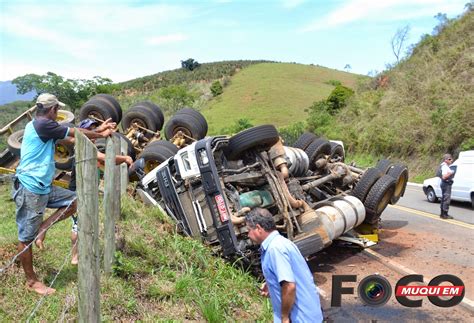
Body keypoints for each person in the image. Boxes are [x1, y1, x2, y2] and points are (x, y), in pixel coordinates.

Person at [13, 93, 114, 295]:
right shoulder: (42, 124)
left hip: (43, 187)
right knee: (26, 237)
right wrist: (100, 134)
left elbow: (69, 138)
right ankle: (31, 281)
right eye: (57, 110)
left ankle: (44, 227)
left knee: (76, 201)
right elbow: (73, 131)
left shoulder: (43, 128)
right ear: (52, 110)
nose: (58, 114)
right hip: (31, 188)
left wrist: (94, 132)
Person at [68, 118, 133, 265]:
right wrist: (125, 158)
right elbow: (104, 159)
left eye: (94, 129)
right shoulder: (83, 147)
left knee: (87, 222)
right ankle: (75, 256)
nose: (93, 132)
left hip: (87, 191)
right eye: (90, 129)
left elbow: (100, 164)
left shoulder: (89, 146)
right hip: (77, 192)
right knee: (78, 224)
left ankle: (87, 252)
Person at [245, 207, 323, 323]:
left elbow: (289, 286)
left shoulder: (275, 249)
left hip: (300, 319)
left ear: (258, 228)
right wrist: (272, 283)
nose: (247, 234)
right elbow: (290, 275)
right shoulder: (281, 243)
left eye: (248, 230)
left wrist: (284, 317)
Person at [439, 153, 455, 219]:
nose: (451, 160)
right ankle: (444, 214)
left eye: (451, 159)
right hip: (446, 184)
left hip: (445, 184)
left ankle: (442, 213)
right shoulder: (444, 166)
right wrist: (450, 173)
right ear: (446, 160)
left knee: (444, 198)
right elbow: (444, 177)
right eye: (449, 159)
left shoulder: (445, 166)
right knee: (446, 199)